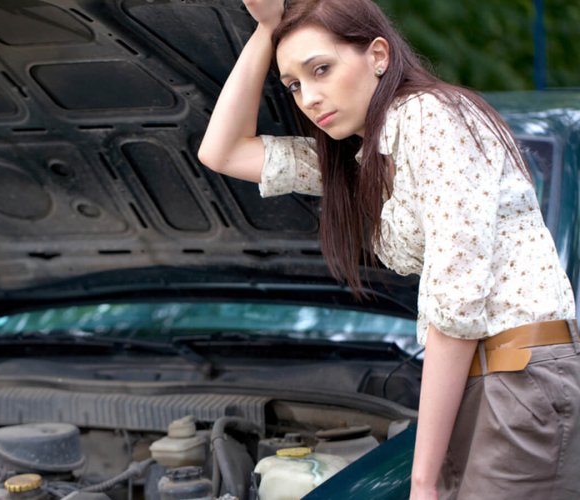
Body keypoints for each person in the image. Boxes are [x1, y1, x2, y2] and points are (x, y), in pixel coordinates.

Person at [197, 0, 580, 498]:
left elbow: (455, 307)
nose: (309, 97)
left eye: (322, 69)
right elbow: (221, 151)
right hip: (487, 380)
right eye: (294, 85)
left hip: (520, 376)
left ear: (378, 55)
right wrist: (265, 31)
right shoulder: (363, 161)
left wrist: (422, 481)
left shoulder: (431, 118)